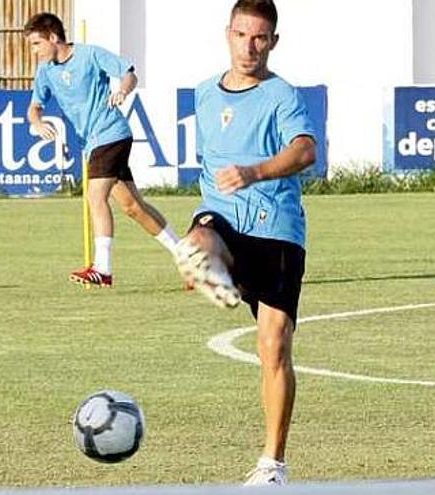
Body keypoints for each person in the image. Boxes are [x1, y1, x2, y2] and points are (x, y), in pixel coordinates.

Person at [174, 0, 317, 485]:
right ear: (227, 34)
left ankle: (273, 464)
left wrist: (255, 171)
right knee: (200, 233)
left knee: (273, 348)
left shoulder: (282, 96)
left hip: (277, 230)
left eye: (259, 38)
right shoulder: (202, 94)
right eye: (241, 35)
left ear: (273, 41)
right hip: (224, 218)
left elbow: (305, 149)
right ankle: (208, 264)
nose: (248, 47)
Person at [25, 12, 180, 288]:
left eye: (36, 44)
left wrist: (122, 90)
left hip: (111, 133)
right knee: (133, 207)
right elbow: (34, 107)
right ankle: (187, 256)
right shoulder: (45, 71)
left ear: (53, 37)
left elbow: (128, 74)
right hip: (93, 142)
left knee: (95, 196)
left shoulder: (90, 55)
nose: (34, 51)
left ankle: (103, 269)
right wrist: (37, 122)